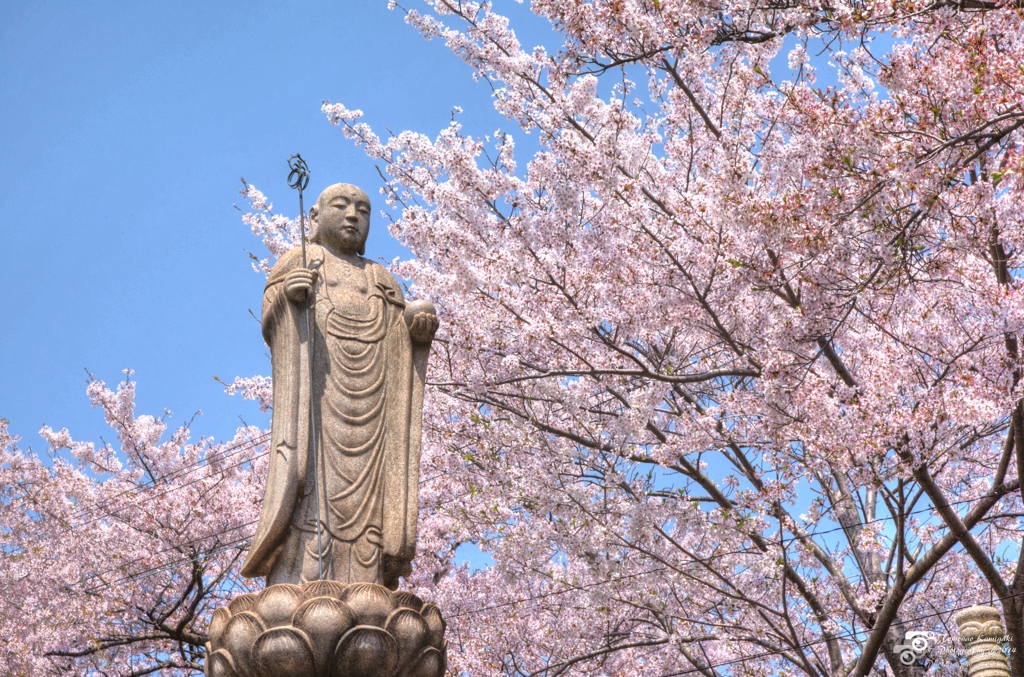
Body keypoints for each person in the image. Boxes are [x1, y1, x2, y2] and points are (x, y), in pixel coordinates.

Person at [240, 183, 438, 589]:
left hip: (375, 410)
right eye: (341, 206)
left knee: (372, 510)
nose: (353, 215)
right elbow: (273, 318)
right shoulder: (300, 259)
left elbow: (399, 339)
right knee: (311, 488)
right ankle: (298, 580)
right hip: (317, 405)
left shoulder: (381, 279)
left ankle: (369, 581)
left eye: (363, 210)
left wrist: (415, 332)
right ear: (313, 218)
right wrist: (289, 301)